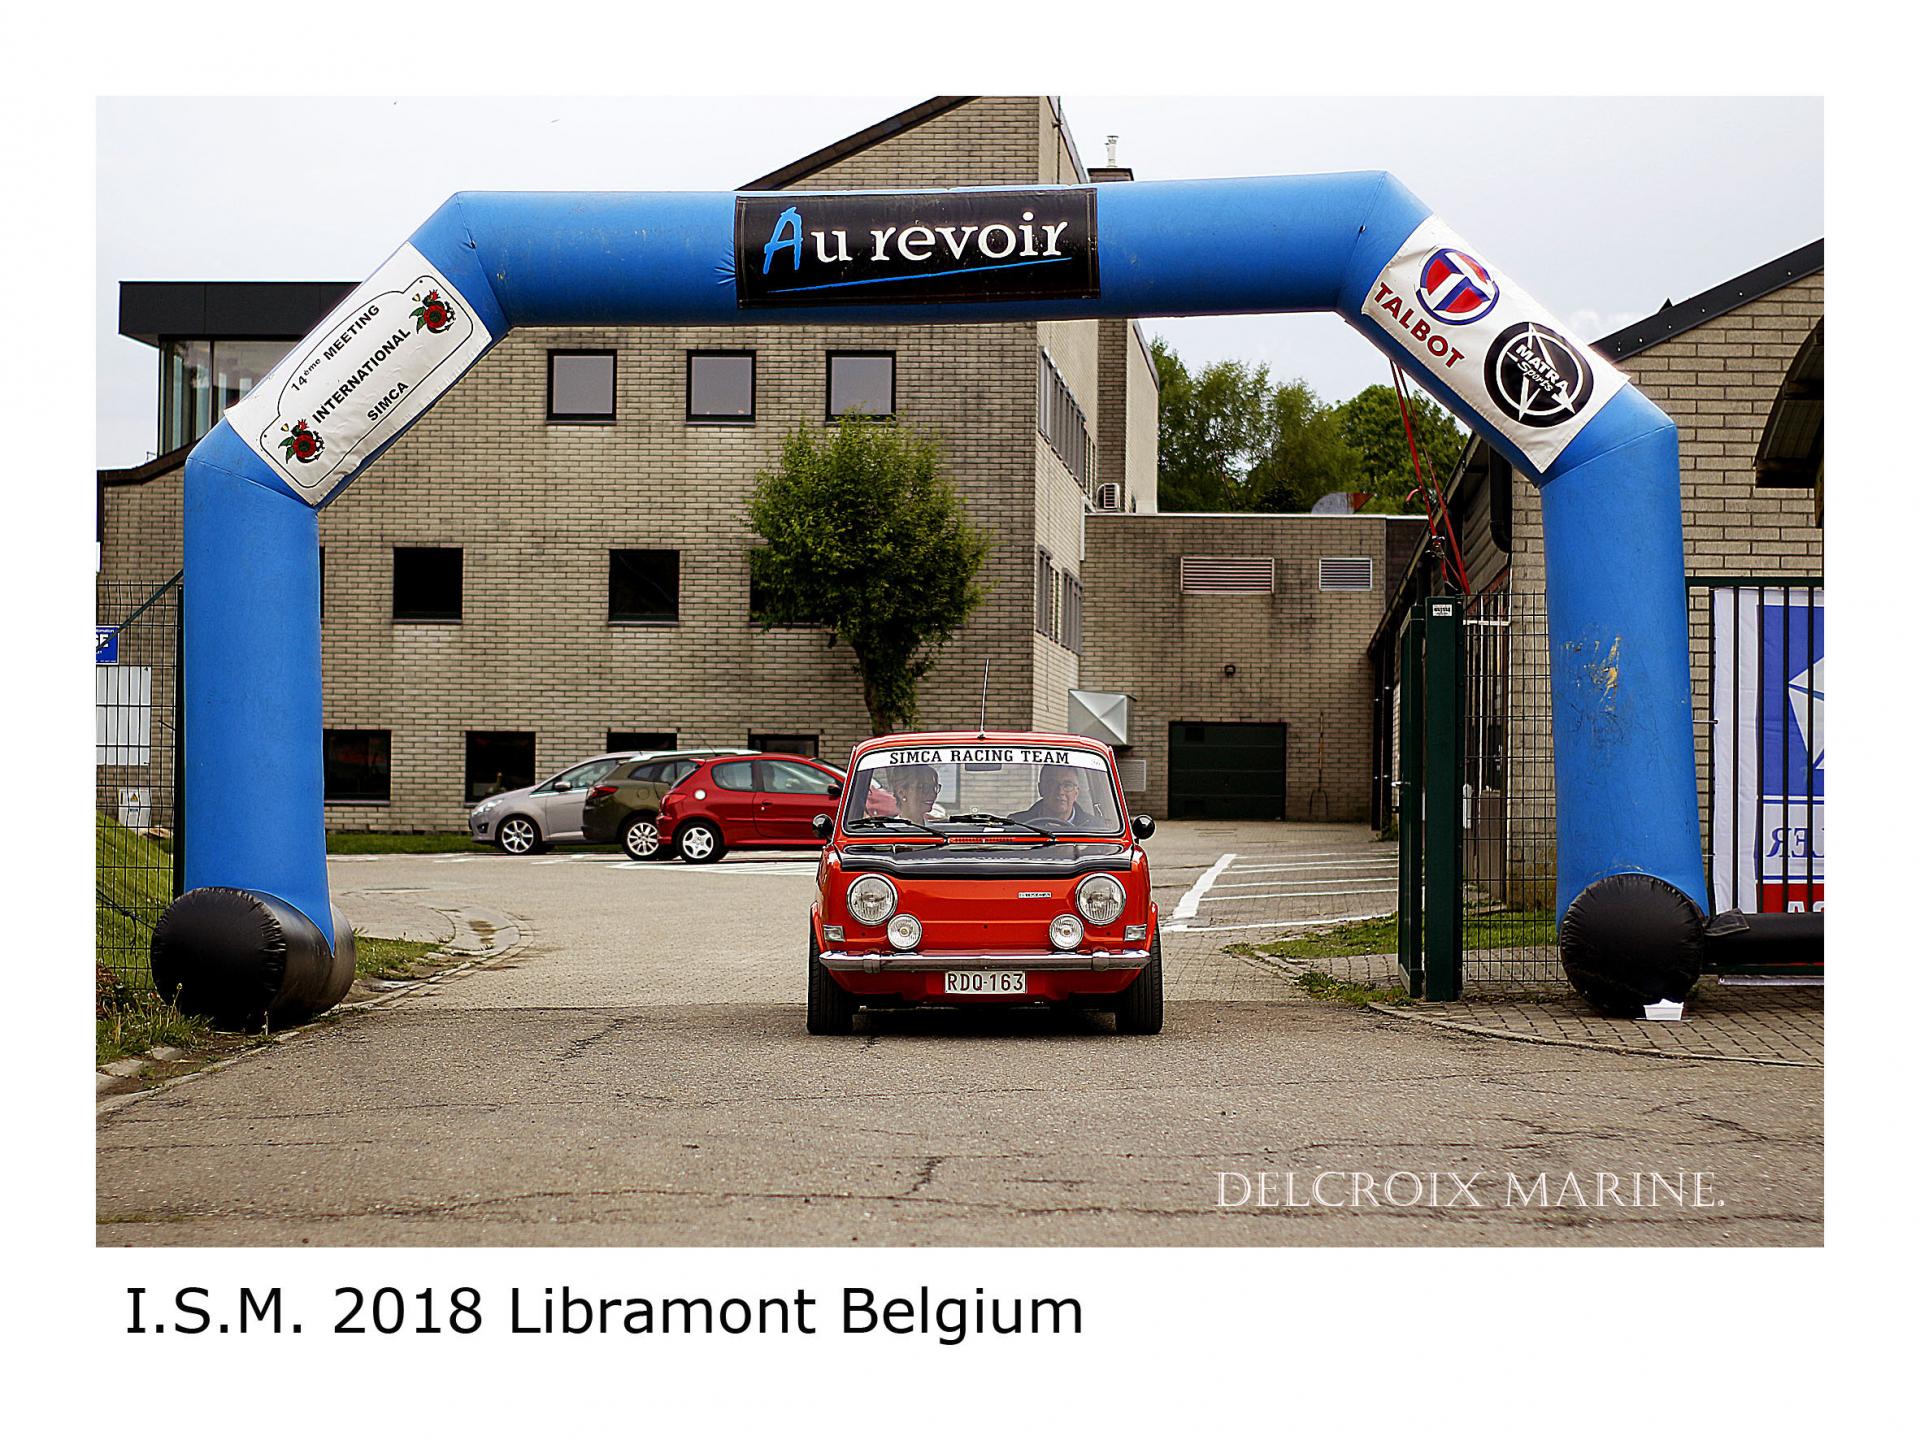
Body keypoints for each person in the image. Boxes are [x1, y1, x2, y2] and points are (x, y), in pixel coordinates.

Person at [1012, 763, 1100, 830]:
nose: (1060, 792)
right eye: (1052, 784)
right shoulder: (1018, 824)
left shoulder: (1095, 827)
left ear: (1076, 792)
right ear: (1041, 789)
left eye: (1068, 785)